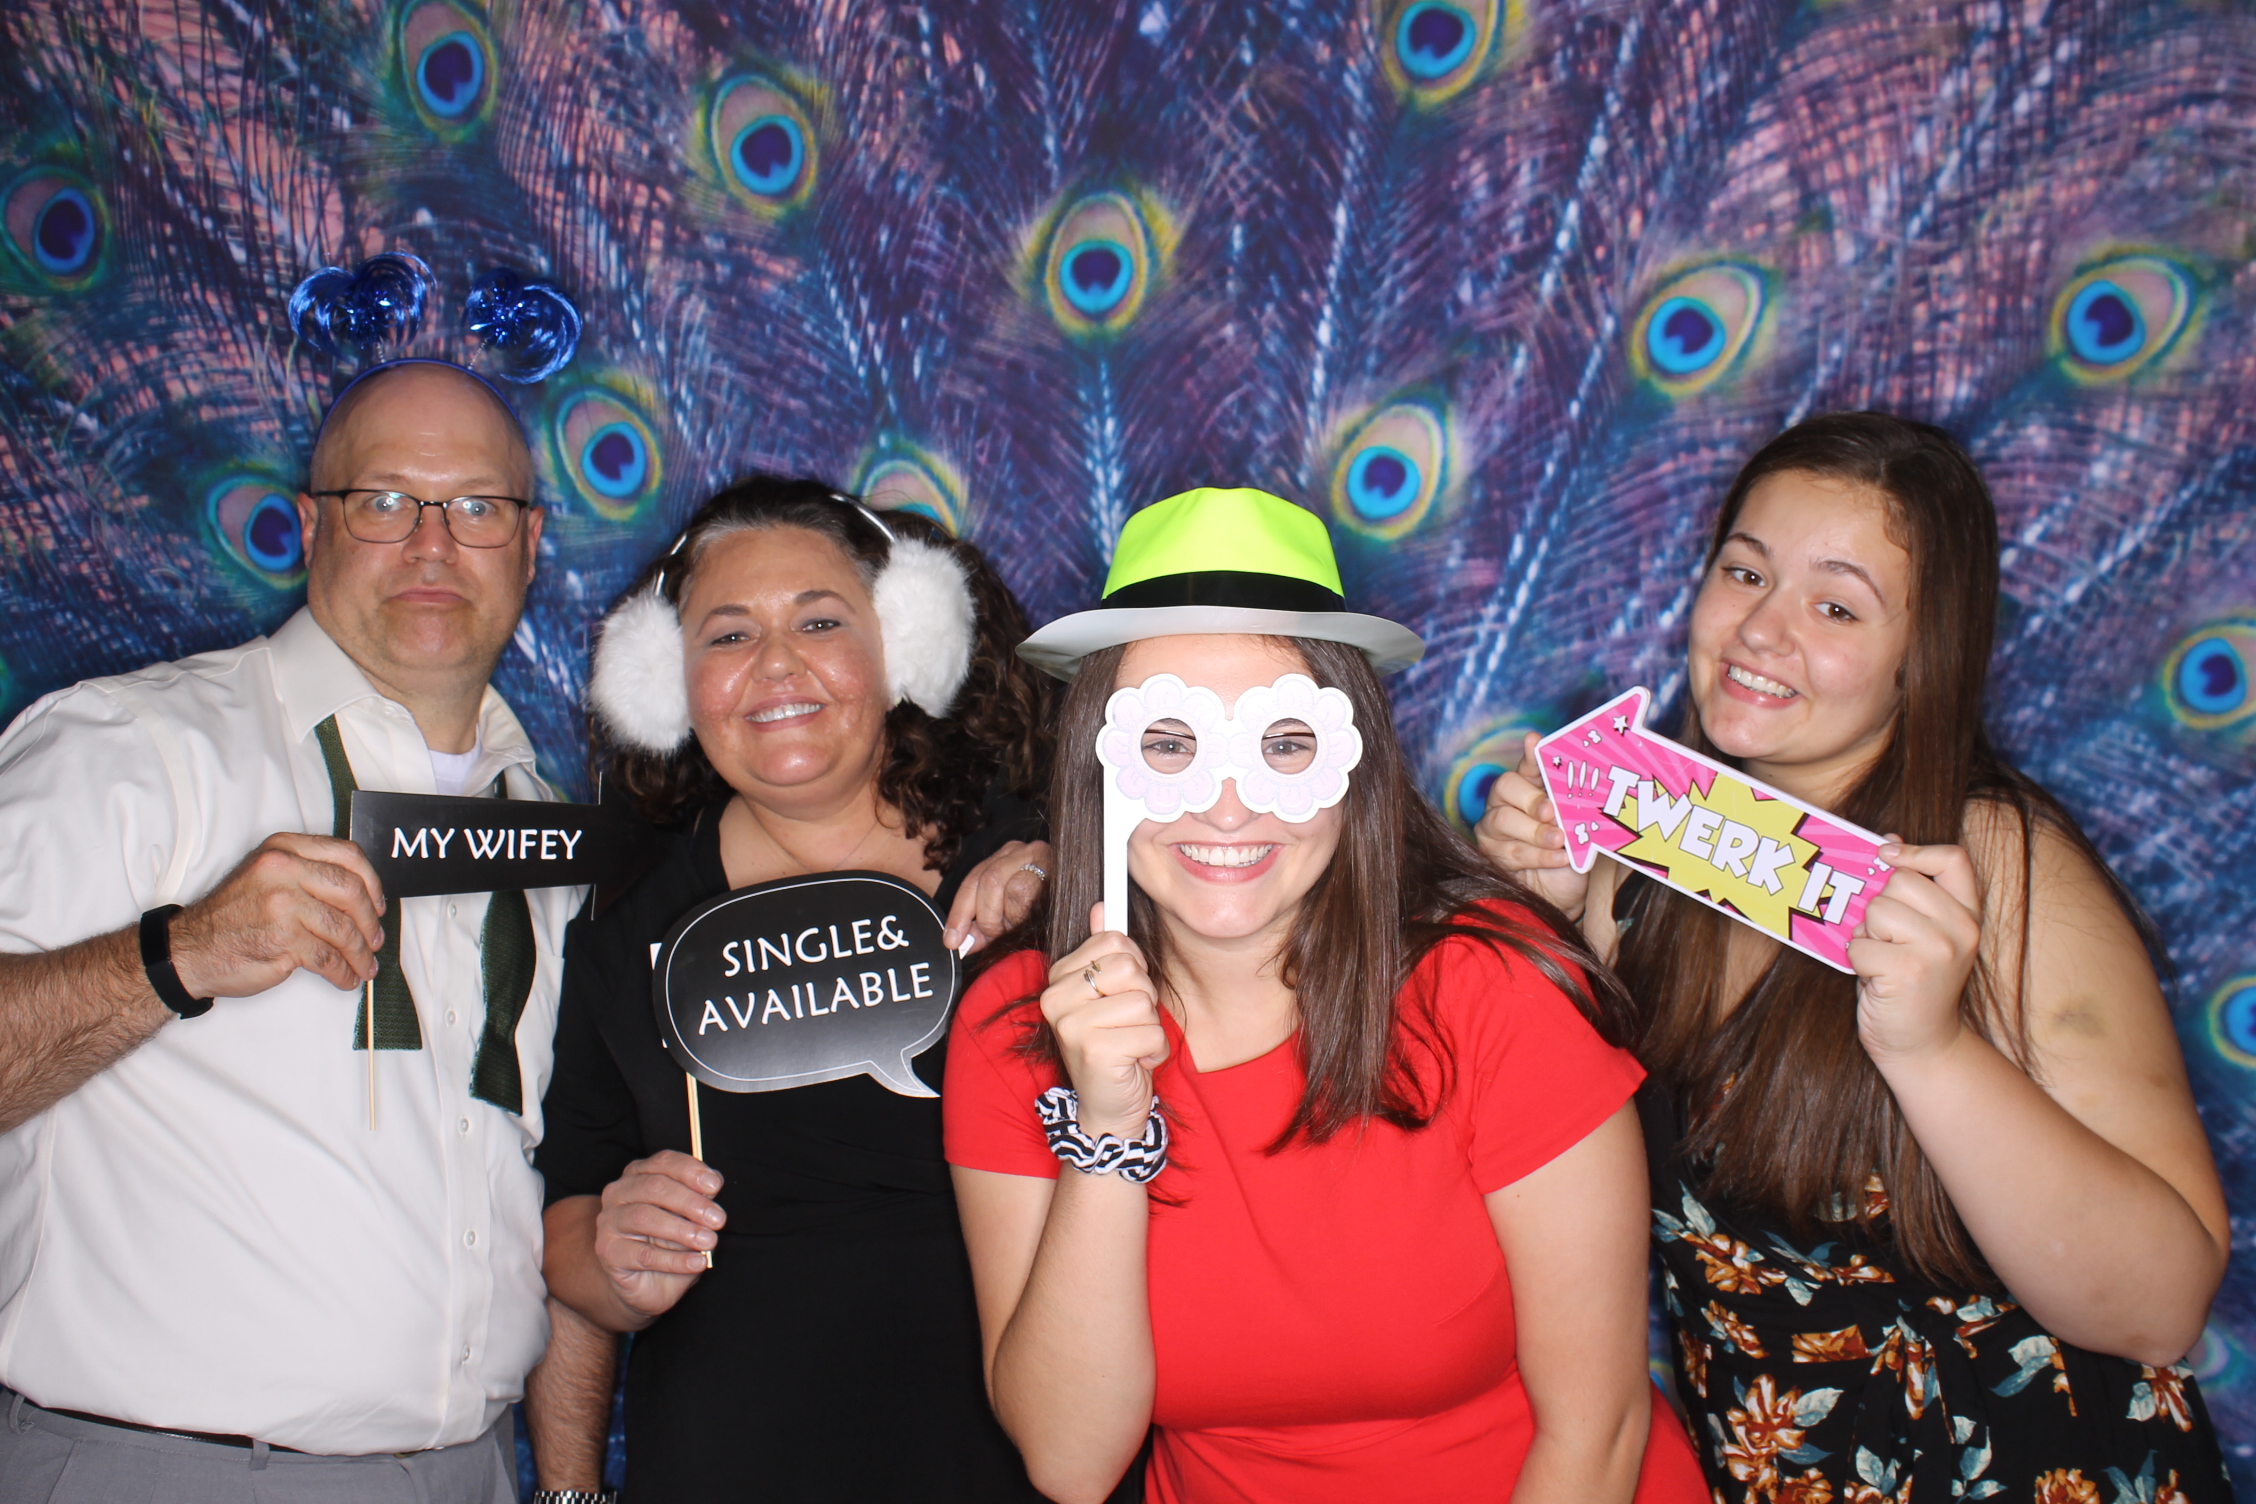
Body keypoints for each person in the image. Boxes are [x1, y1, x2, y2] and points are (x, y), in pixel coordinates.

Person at [1477, 413, 2233, 1502]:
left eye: (1835, 605)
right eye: (1745, 572)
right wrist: (1538, 918)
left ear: (1921, 660)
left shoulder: (1998, 868)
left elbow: (2163, 1305)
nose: (1761, 631)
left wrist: (1932, 1049)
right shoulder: (1636, 858)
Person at [944, 486, 1708, 1504]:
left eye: (1283, 744)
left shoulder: (1492, 986)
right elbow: (1073, 1463)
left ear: (1352, 763)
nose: (1226, 802)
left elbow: (1597, 1430)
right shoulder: (1014, 1025)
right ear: (1102, 762)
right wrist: (1109, 1131)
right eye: (1171, 745)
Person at [0, 358, 582, 1502]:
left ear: (529, 541)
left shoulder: (549, 828)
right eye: (384, 503)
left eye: (475, 507)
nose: (432, 545)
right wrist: (180, 954)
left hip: (470, 1472)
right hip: (168, 1471)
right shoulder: (130, 748)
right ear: (309, 528)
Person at [532, 477, 1058, 1502]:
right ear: (668, 683)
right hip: (732, 1463)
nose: (776, 666)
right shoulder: (629, 927)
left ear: (901, 646)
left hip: (1024, 1458)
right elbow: (569, 1225)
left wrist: (1072, 878)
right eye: (728, 637)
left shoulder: (1035, 866)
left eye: (820, 621)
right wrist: (612, 1256)